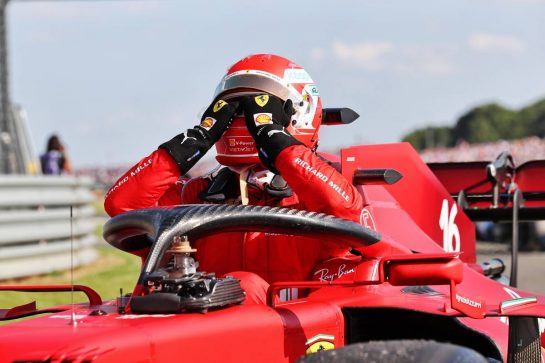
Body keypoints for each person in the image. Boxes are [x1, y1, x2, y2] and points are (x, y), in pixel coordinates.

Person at [104, 54, 365, 303]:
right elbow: (122, 207)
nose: (243, 119)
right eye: (235, 110)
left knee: (246, 286)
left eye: (255, 109)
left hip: (299, 340)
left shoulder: (317, 195)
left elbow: (346, 212)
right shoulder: (196, 194)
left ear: (295, 112)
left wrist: (276, 140)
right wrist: (195, 140)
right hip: (206, 337)